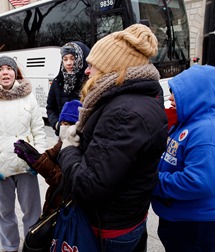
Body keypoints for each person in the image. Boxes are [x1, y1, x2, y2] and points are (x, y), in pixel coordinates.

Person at [56, 24, 168, 252]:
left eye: (92, 66)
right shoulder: (142, 95)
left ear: (112, 68)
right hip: (128, 215)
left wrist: (68, 148)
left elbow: (87, 185)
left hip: (109, 226)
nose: (87, 71)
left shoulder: (124, 112)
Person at [0, 55, 46, 252]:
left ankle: (33, 246)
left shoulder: (28, 97)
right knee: (4, 213)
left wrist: (38, 161)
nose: (5, 72)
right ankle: (10, 247)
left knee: (32, 212)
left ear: (15, 72)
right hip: (0, 168)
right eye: (1, 69)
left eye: (9, 68)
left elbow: (39, 131)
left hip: (26, 166)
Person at [151, 64, 215, 251]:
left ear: (197, 95)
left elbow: (198, 182)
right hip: (181, 217)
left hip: (194, 223)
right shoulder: (188, 121)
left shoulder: (206, 131)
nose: (170, 97)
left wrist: (153, 181)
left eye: (177, 94)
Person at [14, 100, 82, 214]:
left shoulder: (80, 147)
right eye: (62, 123)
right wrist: (31, 156)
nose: (64, 127)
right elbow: (48, 156)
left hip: (68, 208)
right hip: (55, 201)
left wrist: (38, 161)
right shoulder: (62, 143)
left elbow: (63, 181)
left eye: (68, 124)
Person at [46, 41, 90, 136]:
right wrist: (57, 124)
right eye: (65, 59)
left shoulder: (88, 83)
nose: (68, 63)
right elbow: (50, 108)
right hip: (63, 136)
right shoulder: (57, 82)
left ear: (80, 59)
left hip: (82, 136)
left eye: (72, 59)